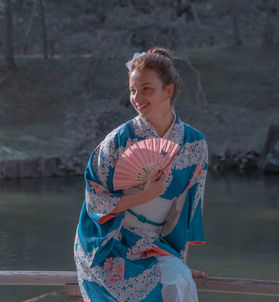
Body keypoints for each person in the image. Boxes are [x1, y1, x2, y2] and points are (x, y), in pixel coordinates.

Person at [74, 47, 208, 302]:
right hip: (110, 243)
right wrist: (146, 195)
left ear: (167, 91)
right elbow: (95, 203)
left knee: (179, 281)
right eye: (133, 90)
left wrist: (181, 262)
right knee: (148, 289)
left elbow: (189, 209)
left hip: (154, 244)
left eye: (146, 89)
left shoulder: (195, 144)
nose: (137, 97)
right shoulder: (117, 142)